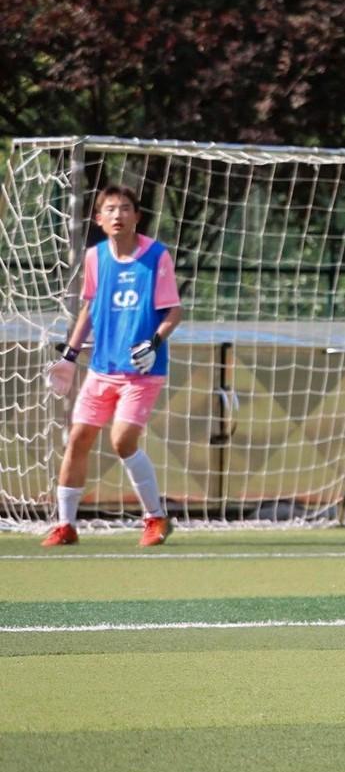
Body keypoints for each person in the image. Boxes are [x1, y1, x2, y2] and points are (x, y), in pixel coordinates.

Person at [47, 184, 183, 548]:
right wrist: (70, 356)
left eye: (125, 208)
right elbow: (90, 308)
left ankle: (155, 517)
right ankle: (65, 525)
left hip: (142, 371)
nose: (117, 214)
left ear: (137, 216)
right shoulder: (95, 257)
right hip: (101, 369)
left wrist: (154, 342)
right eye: (110, 209)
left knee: (122, 439)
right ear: (99, 219)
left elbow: (174, 311)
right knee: (78, 438)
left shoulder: (156, 255)